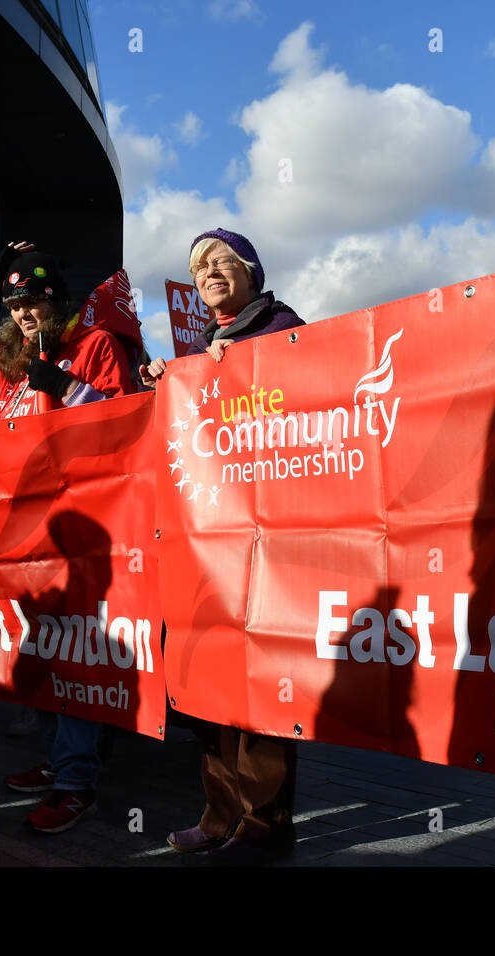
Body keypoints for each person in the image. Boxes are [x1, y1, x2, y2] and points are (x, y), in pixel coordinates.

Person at [0, 241, 143, 833]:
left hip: (84, 517)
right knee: (43, 642)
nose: (25, 313)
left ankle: (78, 781)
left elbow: (127, 420)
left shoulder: (93, 344)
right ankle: (59, 762)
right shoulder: (9, 352)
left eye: (34, 302)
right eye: (15, 303)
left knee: (77, 645)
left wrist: (65, 384)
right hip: (24, 522)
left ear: (58, 304)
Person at [143, 228, 306, 865]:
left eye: (221, 262)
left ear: (250, 272)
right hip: (206, 545)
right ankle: (219, 817)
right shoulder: (202, 349)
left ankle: (265, 829)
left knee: (262, 687)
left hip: (266, 546)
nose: (208, 272)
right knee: (209, 682)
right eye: (198, 267)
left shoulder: (285, 330)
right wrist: (168, 380)